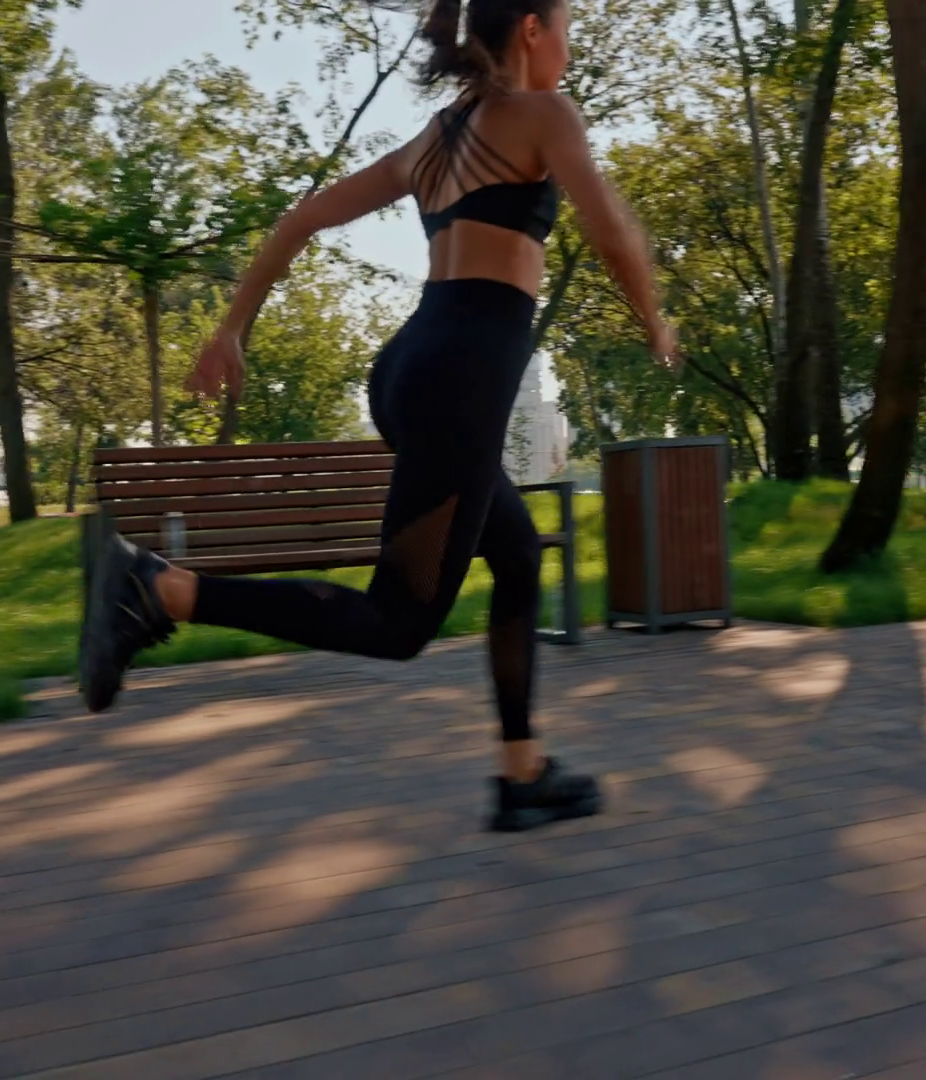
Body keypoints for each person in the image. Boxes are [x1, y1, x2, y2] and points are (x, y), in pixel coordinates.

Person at [79, 0, 674, 833]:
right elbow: (611, 231)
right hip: (458, 380)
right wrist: (654, 320)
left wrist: (232, 327)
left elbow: (303, 217)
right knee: (398, 624)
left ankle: (522, 772)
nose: (569, 52)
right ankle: (160, 589)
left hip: (409, 370)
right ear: (532, 29)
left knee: (515, 556)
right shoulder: (543, 114)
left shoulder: (436, 138)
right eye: (566, 30)